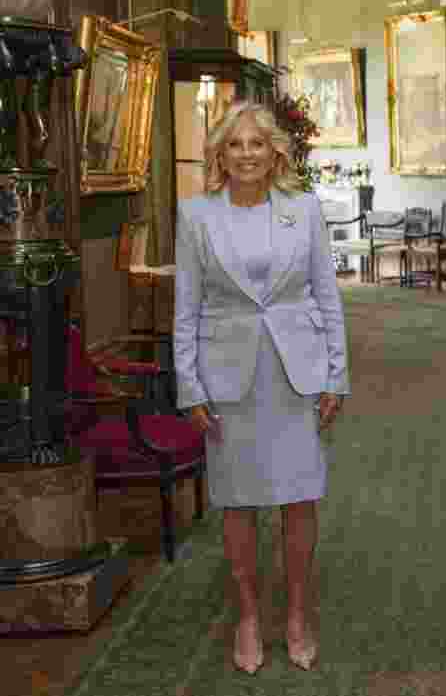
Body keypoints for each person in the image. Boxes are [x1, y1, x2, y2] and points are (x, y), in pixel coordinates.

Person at [174, 100, 349, 674]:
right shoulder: (196, 216)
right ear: (220, 155)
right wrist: (190, 387)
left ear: (275, 151)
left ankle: (297, 612)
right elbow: (187, 309)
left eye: (256, 144)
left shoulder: (305, 210)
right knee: (238, 502)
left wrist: (336, 374)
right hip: (228, 379)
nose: (246, 154)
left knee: (300, 498)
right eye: (234, 145)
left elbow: (327, 296)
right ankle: (248, 614)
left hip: (297, 373)